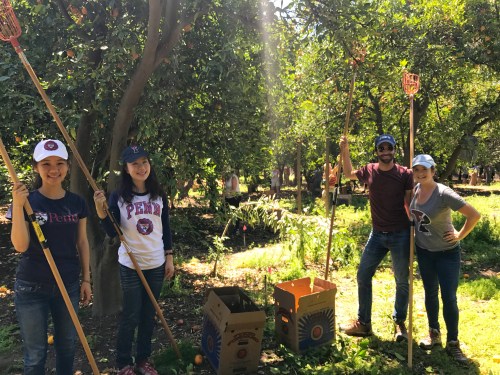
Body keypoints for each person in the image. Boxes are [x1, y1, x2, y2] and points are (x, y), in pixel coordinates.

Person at [8, 139, 91, 375]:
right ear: (35, 167)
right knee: (35, 356)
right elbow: (20, 246)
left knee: (67, 348)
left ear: (67, 166)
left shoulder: (77, 203)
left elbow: (82, 242)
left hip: (68, 284)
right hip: (31, 287)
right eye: (46, 163)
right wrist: (18, 203)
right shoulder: (27, 201)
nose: (54, 169)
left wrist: (86, 279)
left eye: (59, 163)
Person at [93, 145, 174, 375]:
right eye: (134, 163)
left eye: (144, 162)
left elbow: (165, 228)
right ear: (126, 169)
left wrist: (169, 257)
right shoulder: (119, 197)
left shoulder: (159, 195)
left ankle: (143, 360)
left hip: (156, 264)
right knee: (130, 315)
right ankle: (123, 363)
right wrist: (101, 212)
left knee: (149, 314)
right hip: (131, 265)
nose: (141, 167)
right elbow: (112, 230)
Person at [339, 134, 413, 341]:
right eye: (382, 148)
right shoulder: (370, 170)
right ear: (377, 151)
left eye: (389, 147)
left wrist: (415, 224)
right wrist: (345, 150)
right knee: (363, 275)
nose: (386, 151)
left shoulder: (405, 174)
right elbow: (348, 173)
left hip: (400, 233)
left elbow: (410, 202)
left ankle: (399, 323)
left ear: (394, 150)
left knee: (402, 281)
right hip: (377, 234)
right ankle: (364, 324)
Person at [410, 154, 480, 364]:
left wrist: (460, 234)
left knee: (448, 296)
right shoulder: (416, 190)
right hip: (424, 252)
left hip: (447, 253)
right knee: (430, 293)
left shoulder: (443, 193)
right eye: (416, 170)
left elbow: (474, 215)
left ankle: (453, 343)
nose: (421, 173)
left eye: (425, 169)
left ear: (433, 170)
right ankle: (434, 334)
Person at [223, 169, 241, 234]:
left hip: (235, 197)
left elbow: (234, 190)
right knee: (226, 212)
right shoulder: (227, 178)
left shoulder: (233, 177)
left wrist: (226, 193)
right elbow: (226, 187)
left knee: (235, 213)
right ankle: (227, 228)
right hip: (228, 197)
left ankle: (237, 229)